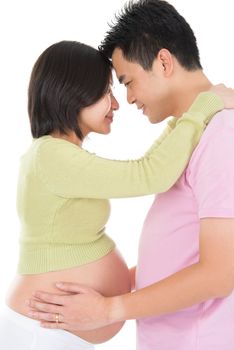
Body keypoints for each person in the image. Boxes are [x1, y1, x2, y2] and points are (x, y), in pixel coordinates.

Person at [25, 1, 234, 350]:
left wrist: (108, 308)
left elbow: (220, 274)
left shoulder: (222, 134)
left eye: (128, 82)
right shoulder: (193, 134)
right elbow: (183, 253)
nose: (129, 98)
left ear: (164, 62)